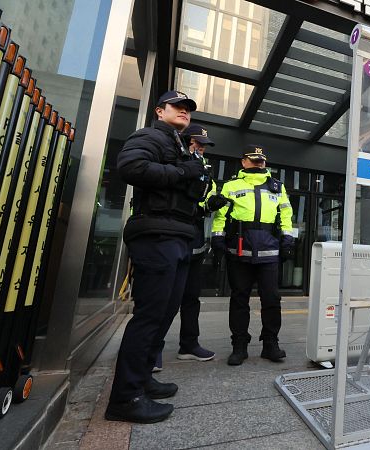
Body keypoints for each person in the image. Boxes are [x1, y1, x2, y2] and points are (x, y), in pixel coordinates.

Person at [105, 90, 209, 424]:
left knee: (165, 314)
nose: (184, 112)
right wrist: (181, 173)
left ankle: (143, 378)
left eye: (188, 109)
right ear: (159, 111)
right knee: (149, 316)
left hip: (178, 235)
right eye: (178, 107)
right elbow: (131, 166)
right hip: (156, 235)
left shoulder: (180, 145)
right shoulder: (150, 135)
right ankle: (125, 398)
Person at [152, 124, 229, 370]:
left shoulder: (206, 170)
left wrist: (211, 205)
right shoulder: (172, 162)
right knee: (162, 298)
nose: (202, 148)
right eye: (198, 143)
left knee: (191, 298)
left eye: (204, 145)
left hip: (193, 242)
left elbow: (201, 203)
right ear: (185, 142)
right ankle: (151, 350)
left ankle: (189, 345)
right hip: (167, 238)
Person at [211, 146, 295, 365]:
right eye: (254, 160)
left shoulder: (277, 186)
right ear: (243, 162)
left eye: (262, 161)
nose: (259, 164)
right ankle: (239, 345)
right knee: (239, 299)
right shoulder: (230, 186)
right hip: (239, 251)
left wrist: (288, 239)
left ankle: (270, 344)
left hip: (269, 252)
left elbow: (286, 214)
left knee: (271, 300)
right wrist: (217, 238)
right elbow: (220, 216)